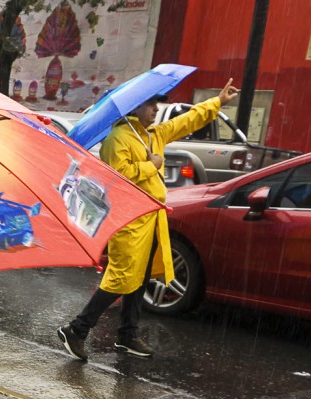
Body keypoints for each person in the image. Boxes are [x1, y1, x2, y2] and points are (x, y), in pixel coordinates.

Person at [57, 79, 240, 360]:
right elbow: (118, 176)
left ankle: (127, 336)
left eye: (156, 103)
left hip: (151, 217)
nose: (156, 108)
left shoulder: (153, 134)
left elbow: (187, 122)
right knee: (121, 277)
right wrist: (150, 165)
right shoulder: (117, 138)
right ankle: (77, 330)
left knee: (140, 277)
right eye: (150, 104)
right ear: (134, 108)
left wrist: (217, 102)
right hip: (128, 218)